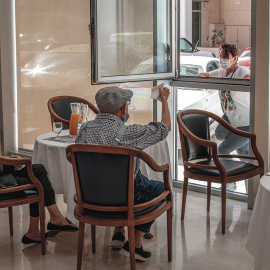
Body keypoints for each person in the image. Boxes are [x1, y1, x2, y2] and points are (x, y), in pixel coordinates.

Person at [75, 86, 171, 261]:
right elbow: (165, 128)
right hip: (123, 198)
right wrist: (164, 100)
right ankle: (134, 244)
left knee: (120, 178)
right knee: (160, 189)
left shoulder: (84, 129)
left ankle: (118, 232)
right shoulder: (128, 133)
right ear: (123, 109)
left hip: (90, 197)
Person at [198, 43, 250, 190]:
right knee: (226, 139)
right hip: (231, 119)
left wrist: (233, 83)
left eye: (226, 56)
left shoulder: (241, 70)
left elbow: (250, 78)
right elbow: (202, 75)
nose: (222, 59)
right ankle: (247, 190)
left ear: (235, 58)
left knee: (222, 151)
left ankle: (230, 184)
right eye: (221, 56)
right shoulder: (221, 72)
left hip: (245, 123)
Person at [0, 155, 78, 244]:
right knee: (39, 183)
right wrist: (8, 163)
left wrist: (9, 161)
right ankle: (52, 220)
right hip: (3, 181)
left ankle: (40, 228)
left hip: (4, 173)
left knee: (39, 169)